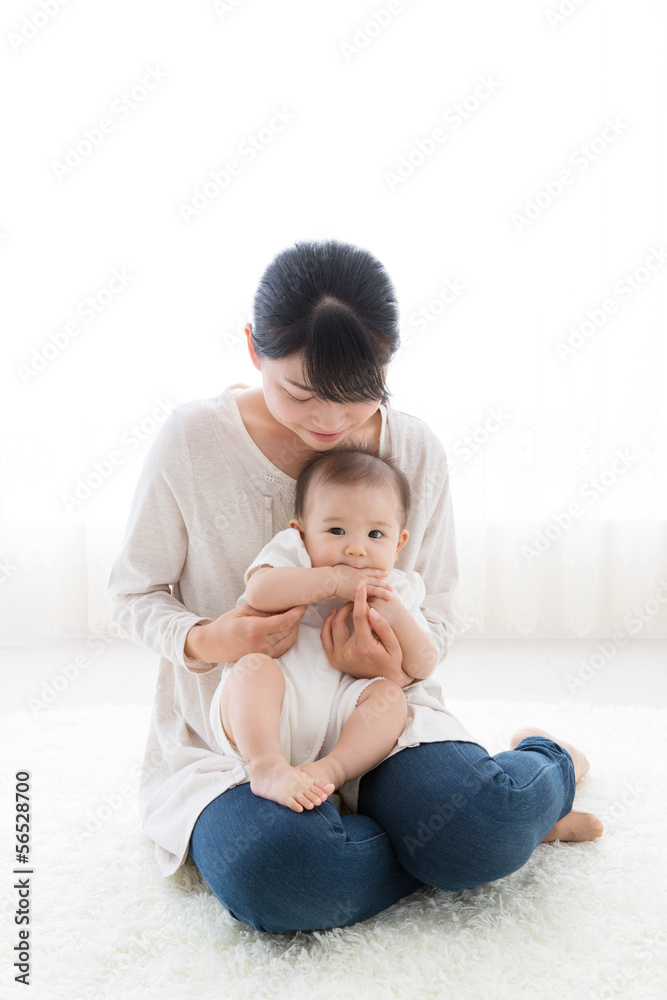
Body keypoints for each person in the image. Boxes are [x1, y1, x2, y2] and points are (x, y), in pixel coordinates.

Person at [107, 238, 603, 935]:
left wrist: (391, 665)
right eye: (300, 393)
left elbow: (441, 609)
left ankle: (542, 766)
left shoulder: (412, 450)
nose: (330, 423)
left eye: (357, 394)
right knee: (281, 873)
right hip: (242, 746)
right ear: (253, 350)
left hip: (379, 718)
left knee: (474, 824)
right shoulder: (192, 440)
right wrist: (211, 637)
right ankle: (463, 845)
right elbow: (134, 594)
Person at [208, 444, 440, 815]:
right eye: (336, 530)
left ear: (399, 543)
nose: (357, 549)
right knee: (254, 668)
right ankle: (266, 766)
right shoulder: (293, 559)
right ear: (300, 533)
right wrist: (331, 581)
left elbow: (425, 664)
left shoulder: (400, 589)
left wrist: (395, 615)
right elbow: (259, 591)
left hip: (341, 721)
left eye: (375, 535)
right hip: (267, 716)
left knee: (388, 698)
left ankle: (330, 770)